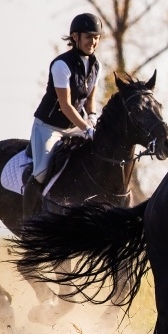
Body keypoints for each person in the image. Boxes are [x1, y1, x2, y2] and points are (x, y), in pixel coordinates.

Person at [24, 13, 103, 215]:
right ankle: (29, 217)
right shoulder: (61, 65)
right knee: (41, 172)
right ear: (75, 37)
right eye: (88, 37)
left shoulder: (96, 65)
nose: (93, 42)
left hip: (74, 126)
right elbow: (66, 105)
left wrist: (92, 118)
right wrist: (86, 127)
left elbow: (90, 98)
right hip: (48, 126)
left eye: (96, 37)